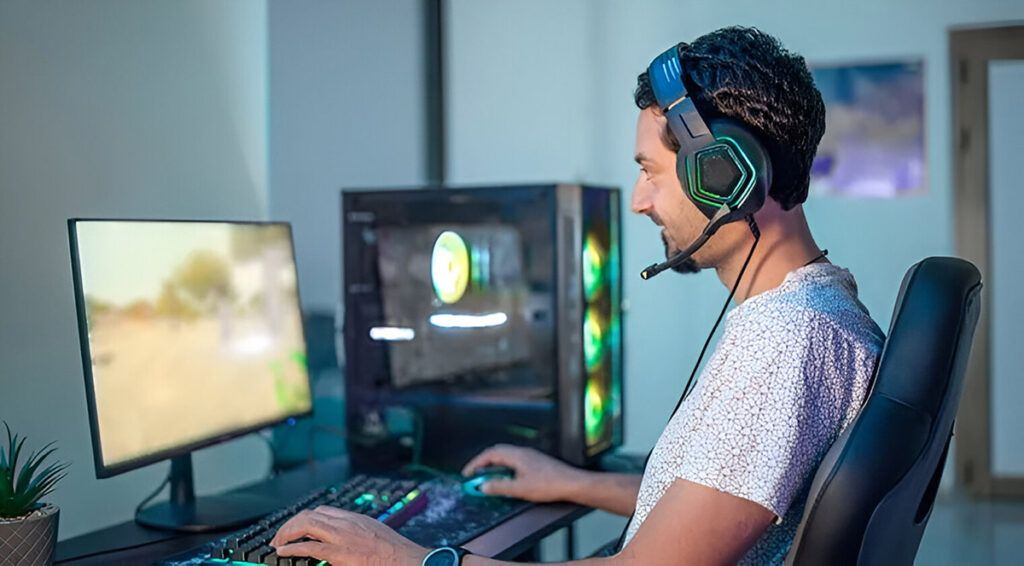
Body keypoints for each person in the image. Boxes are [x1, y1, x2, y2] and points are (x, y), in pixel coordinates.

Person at [269, 26, 885, 566]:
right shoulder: (818, 313)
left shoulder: (787, 342)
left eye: (649, 171)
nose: (639, 201)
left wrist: (406, 559)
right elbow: (719, 500)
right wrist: (571, 482)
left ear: (723, 175)